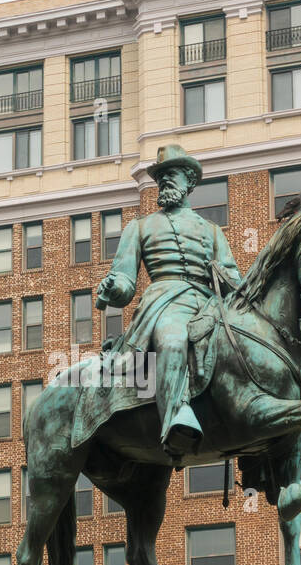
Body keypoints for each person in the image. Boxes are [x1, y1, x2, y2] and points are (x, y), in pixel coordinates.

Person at [95, 145, 242, 456]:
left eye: (170, 176)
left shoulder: (212, 231)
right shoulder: (140, 227)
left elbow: (232, 279)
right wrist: (112, 289)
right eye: (160, 178)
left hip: (208, 304)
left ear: (189, 181)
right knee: (174, 340)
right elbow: (125, 283)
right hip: (164, 301)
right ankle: (175, 420)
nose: (164, 183)